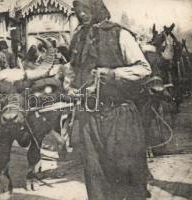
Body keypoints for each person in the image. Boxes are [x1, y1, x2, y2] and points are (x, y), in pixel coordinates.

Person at [69, 0, 152, 199]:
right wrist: (70, 86)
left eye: (85, 9)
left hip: (120, 115)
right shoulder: (78, 38)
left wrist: (114, 74)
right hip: (89, 119)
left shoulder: (119, 34)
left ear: (97, 8)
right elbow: (72, 71)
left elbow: (144, 69)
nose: (81, 14)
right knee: (95, 176)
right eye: (78, 10)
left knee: (128, 172)